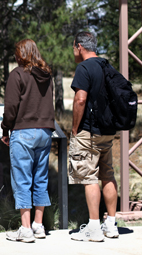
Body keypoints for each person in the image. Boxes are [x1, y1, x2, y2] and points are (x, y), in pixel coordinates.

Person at [0, 39, 55, 243]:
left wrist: (6, 128)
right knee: (40, 179)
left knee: (22, 180)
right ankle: (38, 225)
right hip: (45, 132)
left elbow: (11, 107)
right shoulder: (47, 74)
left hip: (23, 131)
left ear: (20, 54)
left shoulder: (17, 74)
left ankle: (25, 229)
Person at [69, 31, 119, 242]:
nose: (73, 52)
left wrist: (74, 129)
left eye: (73, 48)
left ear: (79, 46)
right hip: (107, 131)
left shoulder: (84, 67)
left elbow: (80, 100)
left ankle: (93, 227)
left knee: (89, 177)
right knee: (107, 175)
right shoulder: (107, 66)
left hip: (88, 132)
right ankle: (111, 224)